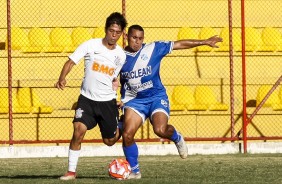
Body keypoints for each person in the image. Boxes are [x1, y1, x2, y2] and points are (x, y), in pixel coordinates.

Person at [119, 25, 223, 179]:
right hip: (134, 101)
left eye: (140, 38)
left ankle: (177, 137)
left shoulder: (153, 48)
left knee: (160, 130)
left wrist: (204, 41)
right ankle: (135, 171)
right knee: (127, 135)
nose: (137, 41)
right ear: (127, 36)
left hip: (156, 97)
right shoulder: (118, 56)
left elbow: (178, 44)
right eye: (134, 37)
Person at [55, 12, 127, 180]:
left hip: (107, 102)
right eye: (111, 31)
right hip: (86, 99)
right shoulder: (90, 45)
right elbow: (71, 61)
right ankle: (71, 172)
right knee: (78, 131)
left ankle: (122, 124)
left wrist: (118, 93)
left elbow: (115, 78)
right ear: (106, 29)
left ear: (122, 33)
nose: (114, 35)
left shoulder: (121, 55)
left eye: (117, 32)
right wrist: (62, 78)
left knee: (109, 141)